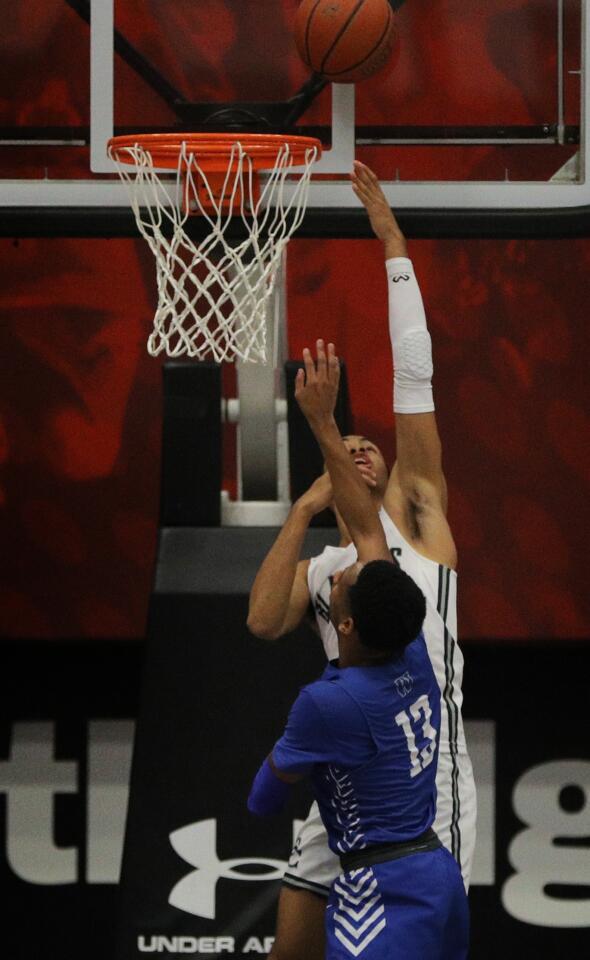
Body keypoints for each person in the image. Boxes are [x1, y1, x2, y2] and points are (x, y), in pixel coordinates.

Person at [247, 162, 475, 960]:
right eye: (349, 449)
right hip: (348, 779)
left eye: (366, 446)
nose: (363, 449)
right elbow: (263, 621)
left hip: (424, 786)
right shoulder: (332, 570)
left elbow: (416, 375)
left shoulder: (416, 522)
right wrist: (305, 509)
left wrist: (393, 246)